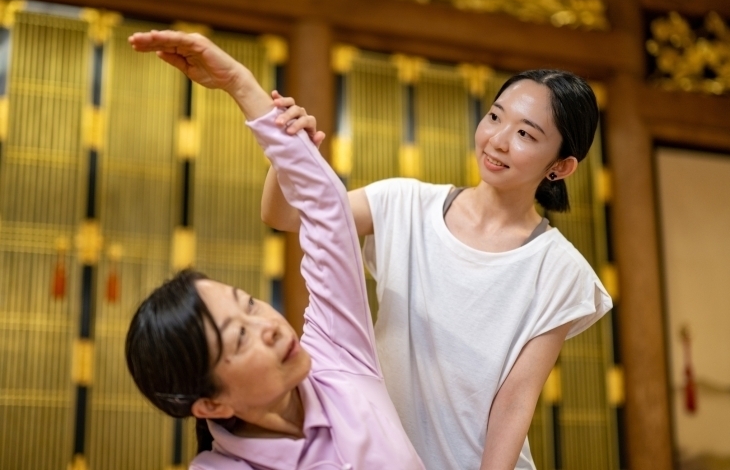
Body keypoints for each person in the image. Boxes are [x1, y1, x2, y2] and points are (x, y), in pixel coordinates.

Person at [262, 69, 613, 469]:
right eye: (495, 117)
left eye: (525, 134)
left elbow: (516, 401)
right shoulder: (403, 204)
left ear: (561, 167)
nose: (497, 140)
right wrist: (287, 152)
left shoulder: (560, 269)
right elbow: (285, 215)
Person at [124, 30, 425, 470]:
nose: (266, 325)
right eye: (240, 337)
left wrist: (240, 84)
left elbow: (326, 211)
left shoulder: (335, 356)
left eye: (249, 304)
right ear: (211, 404)